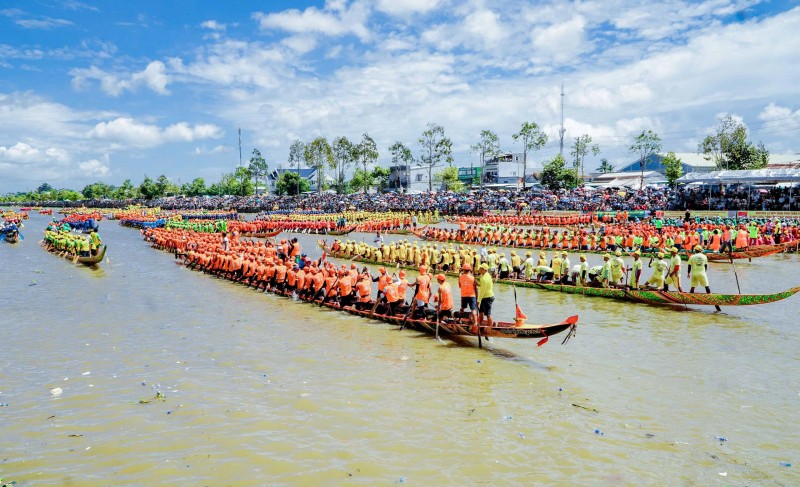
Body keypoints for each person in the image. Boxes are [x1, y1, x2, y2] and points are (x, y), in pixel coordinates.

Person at [476, 263, 494, 328]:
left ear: (483, 270)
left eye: (480, 268)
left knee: (488, 314)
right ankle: (479, 324)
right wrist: (477, 284)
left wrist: (478, 301)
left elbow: (482, 292)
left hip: (487, 297)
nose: (479, 269)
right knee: (481, 311)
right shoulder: (486, 275)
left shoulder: (484, 279)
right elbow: (483, 286)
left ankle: (490, 327)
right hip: (487, 296)